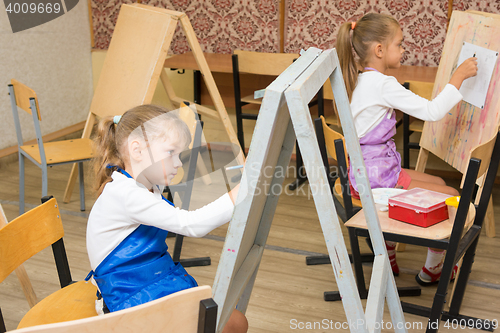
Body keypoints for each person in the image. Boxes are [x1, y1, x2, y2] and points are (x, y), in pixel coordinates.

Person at [336, 13, 478, 286]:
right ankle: (433, 270)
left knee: (437, 182)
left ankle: (387, 252)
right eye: (399, 44)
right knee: (451, 198)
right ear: (379, 50)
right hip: (376, 180)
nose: (404, 50)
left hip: (365, 171)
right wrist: (457, 77)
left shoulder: (359, 78)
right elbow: (432, 111)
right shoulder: (383, 84)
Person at [86, 104, 248, 333]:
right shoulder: (128, 194)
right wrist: (240, 193)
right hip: (126, 293)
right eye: (171, 152)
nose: (179, 163)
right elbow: (190, 224)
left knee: (233, 321)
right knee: (230, 323)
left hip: (149, 276)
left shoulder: (141, 181)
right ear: (137, 150)